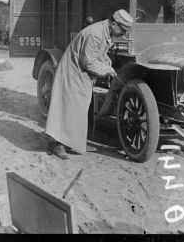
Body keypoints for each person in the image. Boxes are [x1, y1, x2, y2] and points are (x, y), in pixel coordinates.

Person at [45, 9, 134, 159]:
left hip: (81, 73)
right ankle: (57, 145)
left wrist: (107, 61)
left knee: (78, 111)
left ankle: (68, 142)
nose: (123, 34)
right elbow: (88, 62)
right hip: (73, 72)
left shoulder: (104, 31)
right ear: (113, 24)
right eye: (122, 30)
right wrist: (107, 69)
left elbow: (97, 53)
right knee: (68, 108)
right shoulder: (95, 34)